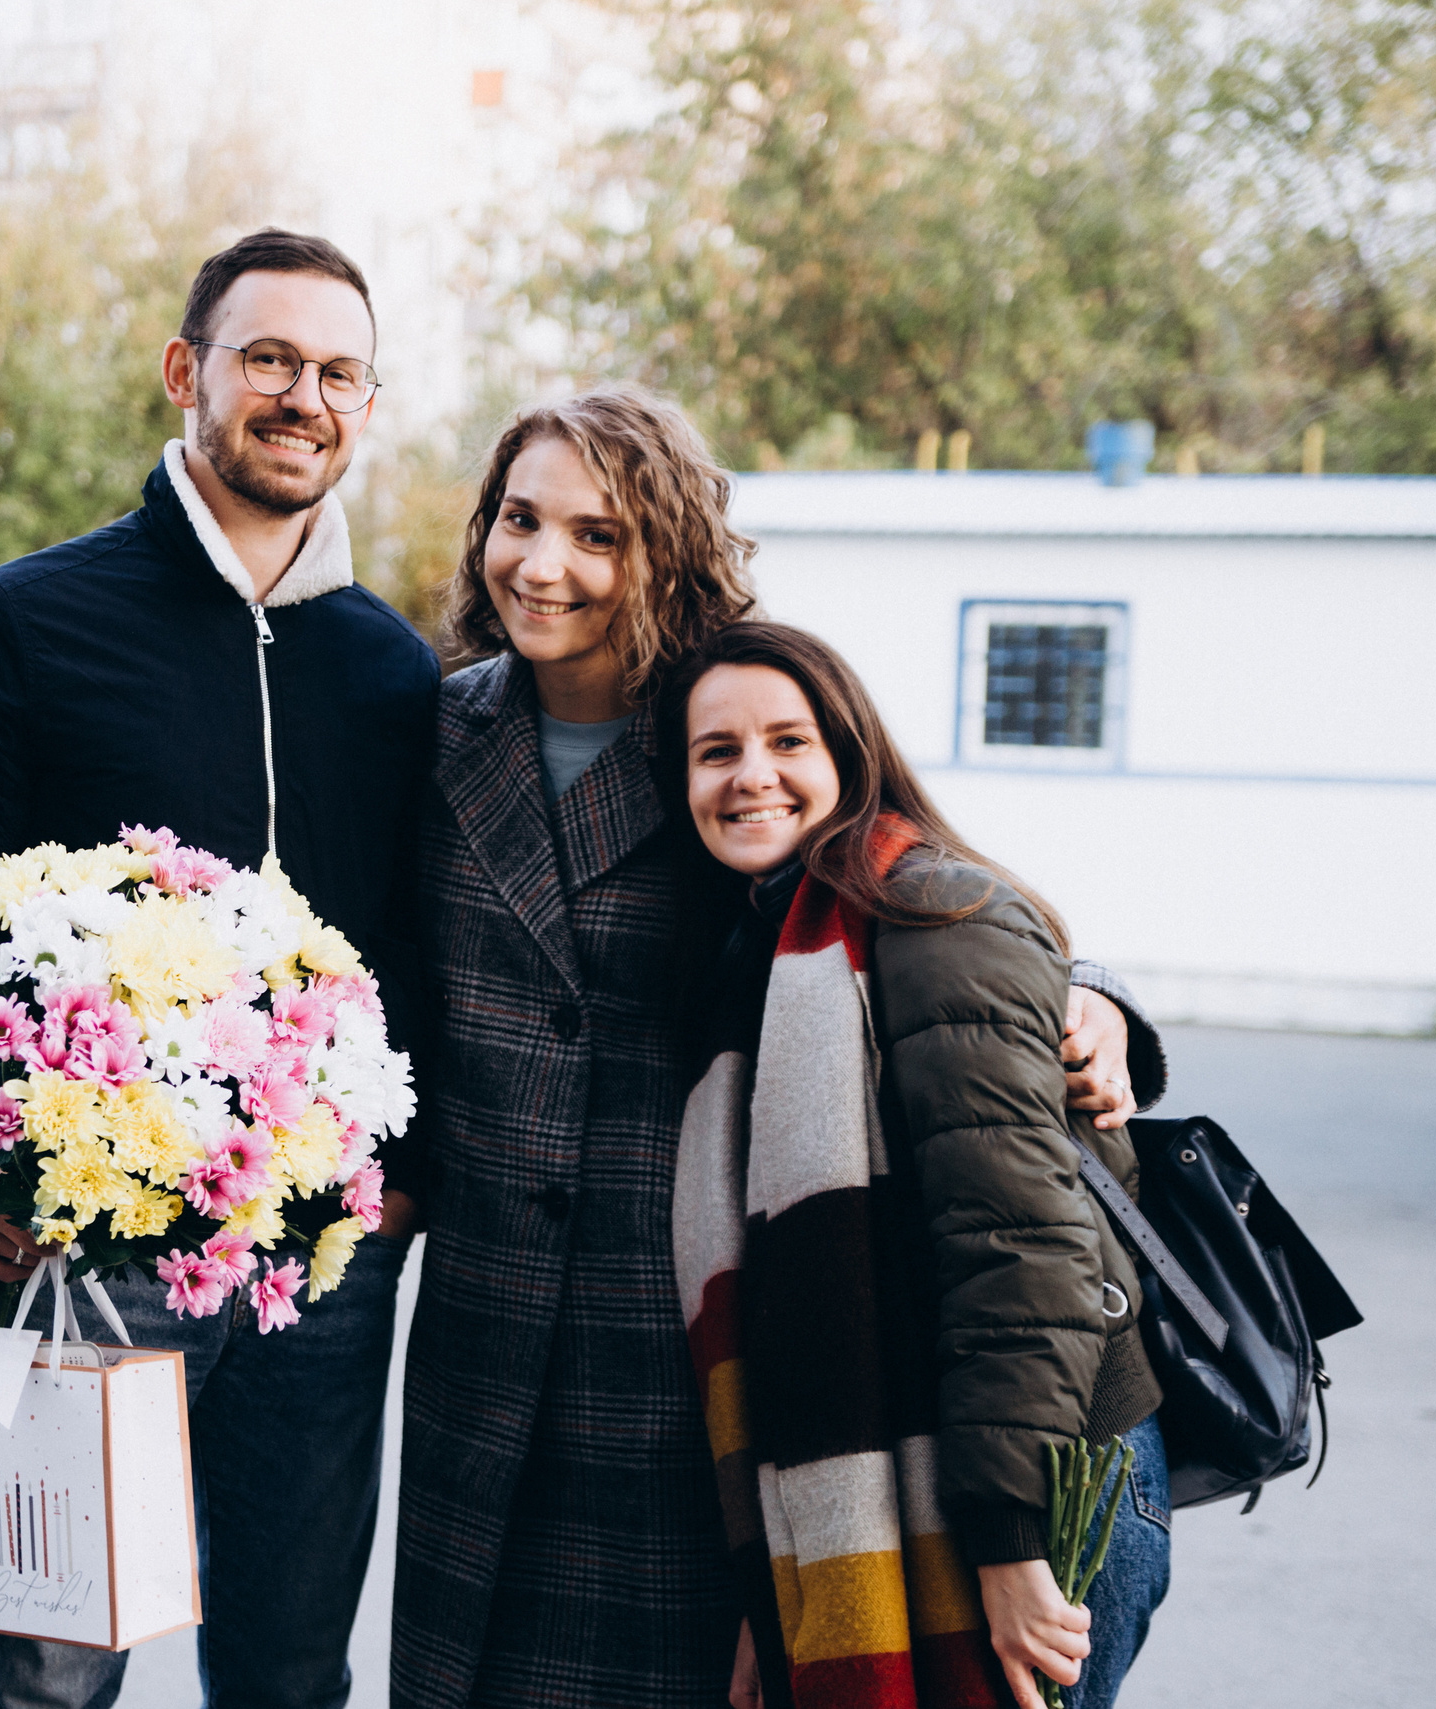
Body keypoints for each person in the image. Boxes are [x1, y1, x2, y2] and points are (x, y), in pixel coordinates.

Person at [390, 388, 1164, 1709]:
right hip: (487, 1321)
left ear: (667, 550)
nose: (544, 563)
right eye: (520, 520)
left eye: (599, 532)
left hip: (698, 1346)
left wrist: (1094, 1002)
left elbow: (919, 896)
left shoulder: (727, 728)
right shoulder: (429, 732)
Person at [0, 227, 437, 1709]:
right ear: (188, 372)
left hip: (320, 1272)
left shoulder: (395, 673)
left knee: (290, 1675)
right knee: (56, 1681)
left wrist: (401, 1181)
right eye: (268, 359)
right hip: (80, 1252)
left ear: (366, 407)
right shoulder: (22, 626)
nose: (302, 395)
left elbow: (424, 948)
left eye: (337, 372)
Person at [661, 620, 1173, 1709]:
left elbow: (1022, 1249)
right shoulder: (760, 954)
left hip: (1042, 1480)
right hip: (935, 1478)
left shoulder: (931, 913)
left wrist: (1008, 1538)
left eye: (786, 741)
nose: (752, 774)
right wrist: (778, 1596)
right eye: (717, 751)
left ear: (849, 753)